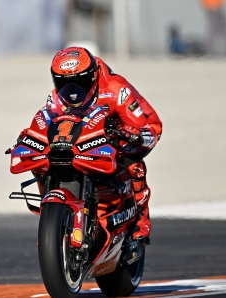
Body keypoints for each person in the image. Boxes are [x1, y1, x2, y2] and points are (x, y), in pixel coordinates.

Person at [43, 47, 162, 242]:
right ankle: (49, 206)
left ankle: (141, 218)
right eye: (64, 83)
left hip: (130, 133)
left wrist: (130, 134)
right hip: (82, 140)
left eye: (78, 82)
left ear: (93, 77)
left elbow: (147, 129)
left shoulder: (117, 89)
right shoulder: (56, 96)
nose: (72, 91)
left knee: (133, 162)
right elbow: (48, 123)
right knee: (45, 158)